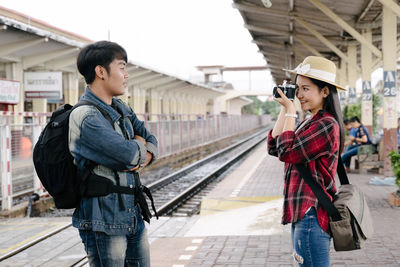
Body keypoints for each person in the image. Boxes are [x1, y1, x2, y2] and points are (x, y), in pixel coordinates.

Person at [69, 41, 158, 266]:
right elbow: (128, 156)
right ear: (101, 72)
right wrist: (138, 150)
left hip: (132, 214)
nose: (126, 75)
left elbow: (152, 140)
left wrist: (139, 154)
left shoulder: (122, 108)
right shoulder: (87, 117)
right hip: (104, 221)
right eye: (121, 67)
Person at [267, 56, 345, 266]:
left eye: (306, 89)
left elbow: (288, 153)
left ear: (325, 91)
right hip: (303, 214)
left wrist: (292, 111)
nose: (299, 94)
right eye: (297, 88)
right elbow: (274, 146)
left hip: (312, 213)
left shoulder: (326, 125)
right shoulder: (310, 122)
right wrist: (285, 109)